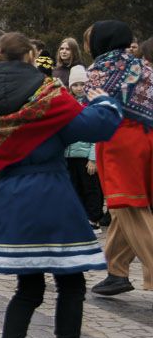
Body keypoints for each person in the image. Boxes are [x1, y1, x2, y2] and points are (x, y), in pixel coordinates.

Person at [0, 32, 121, 338]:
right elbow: (95, 126)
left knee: (28, 288)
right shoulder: (49, 95)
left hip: (8, 199)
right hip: (50, 195)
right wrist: (104, 101)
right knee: (71, 284)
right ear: (31, 56)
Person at [85, 20, 153, 299]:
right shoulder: (142, 66)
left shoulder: (101, 69)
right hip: (147, 137)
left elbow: (93, 109)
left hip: (119, 141)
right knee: (123, 208)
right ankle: (117, 269)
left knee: (129, 206)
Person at [65, 66, 104, 228]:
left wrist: (93, 158)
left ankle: (94, 218)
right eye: (75, 85)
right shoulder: (67, 103)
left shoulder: (92, 103)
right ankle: (81, 219)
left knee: (91, 188)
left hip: (86, 155)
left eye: (82, 84)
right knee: (74, 188)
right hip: (69, 155)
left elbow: (97, 132)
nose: (79, 88)